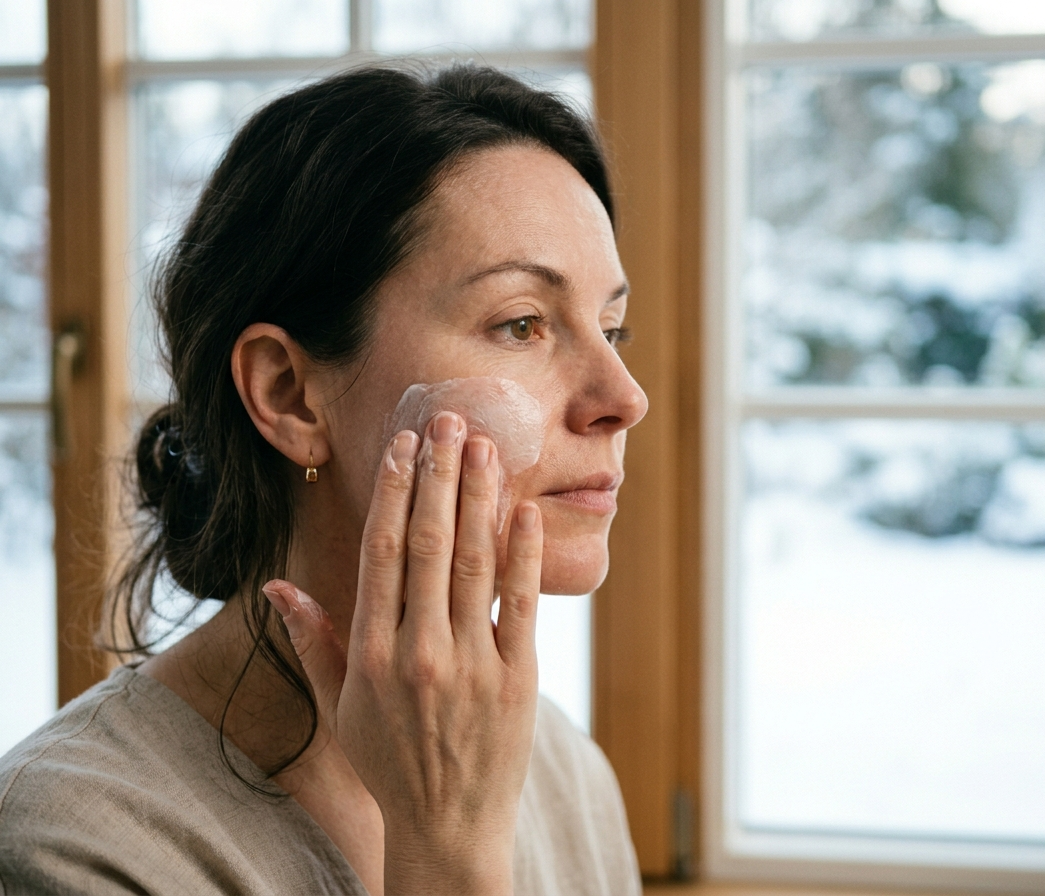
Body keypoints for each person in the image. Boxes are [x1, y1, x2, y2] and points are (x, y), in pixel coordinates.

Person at [0, 64, 648, 895]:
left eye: (613, 328)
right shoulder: (66, 849)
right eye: (521, 324)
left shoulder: (560, 771)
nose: (624, 399)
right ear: (287, 392)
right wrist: (446, 848)